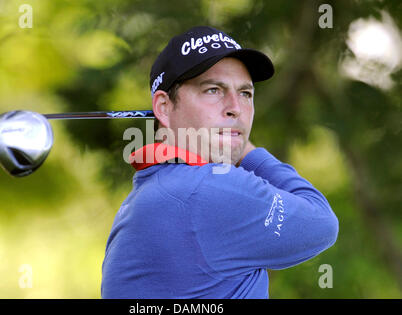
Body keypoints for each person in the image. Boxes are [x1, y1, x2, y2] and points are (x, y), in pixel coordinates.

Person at [101, 26, 339, 299]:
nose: (235, 107)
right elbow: (321, 222)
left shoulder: (152, 190)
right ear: (164, 107)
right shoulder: (210, 188)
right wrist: (248, 151)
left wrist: (230, 137)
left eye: (245, 94)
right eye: (213, 90)